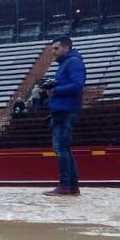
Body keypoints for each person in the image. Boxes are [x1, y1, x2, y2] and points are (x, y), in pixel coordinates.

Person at [42, 36, 86, 196]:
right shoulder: (68, 63)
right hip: (64, 108)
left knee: (60, 148)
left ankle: (65, 185)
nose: (53, 52)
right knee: (64, 148)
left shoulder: (73, 62)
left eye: (56, 48)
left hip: (65, 110)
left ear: (66, 48)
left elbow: (78, 85)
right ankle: (72, 186)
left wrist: (55, 90)